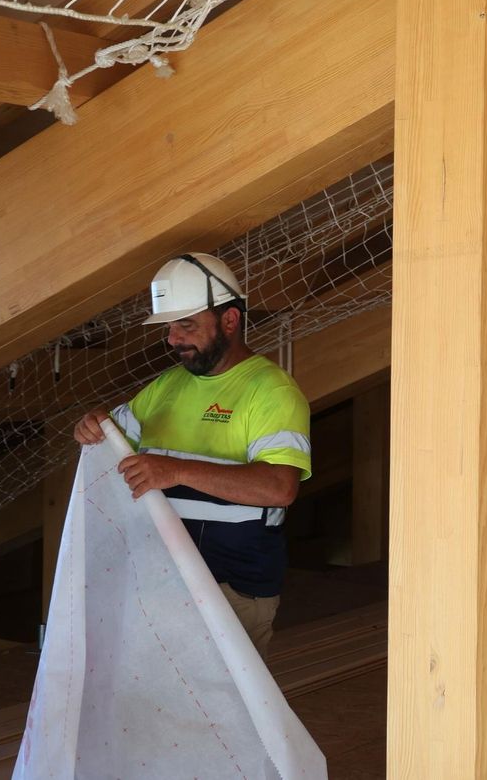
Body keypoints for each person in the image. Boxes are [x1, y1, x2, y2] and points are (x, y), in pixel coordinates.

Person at [74, 253, 310, 655]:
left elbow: (279, 487)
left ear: (230, 320)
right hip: (161, 586)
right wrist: (94, 426)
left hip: (231, 590)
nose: (173, 339)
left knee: (224, 717)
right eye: (169, 327)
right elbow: (109, 438)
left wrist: (176, 471)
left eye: (186, 325)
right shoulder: (167, 385)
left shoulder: (272, 392)